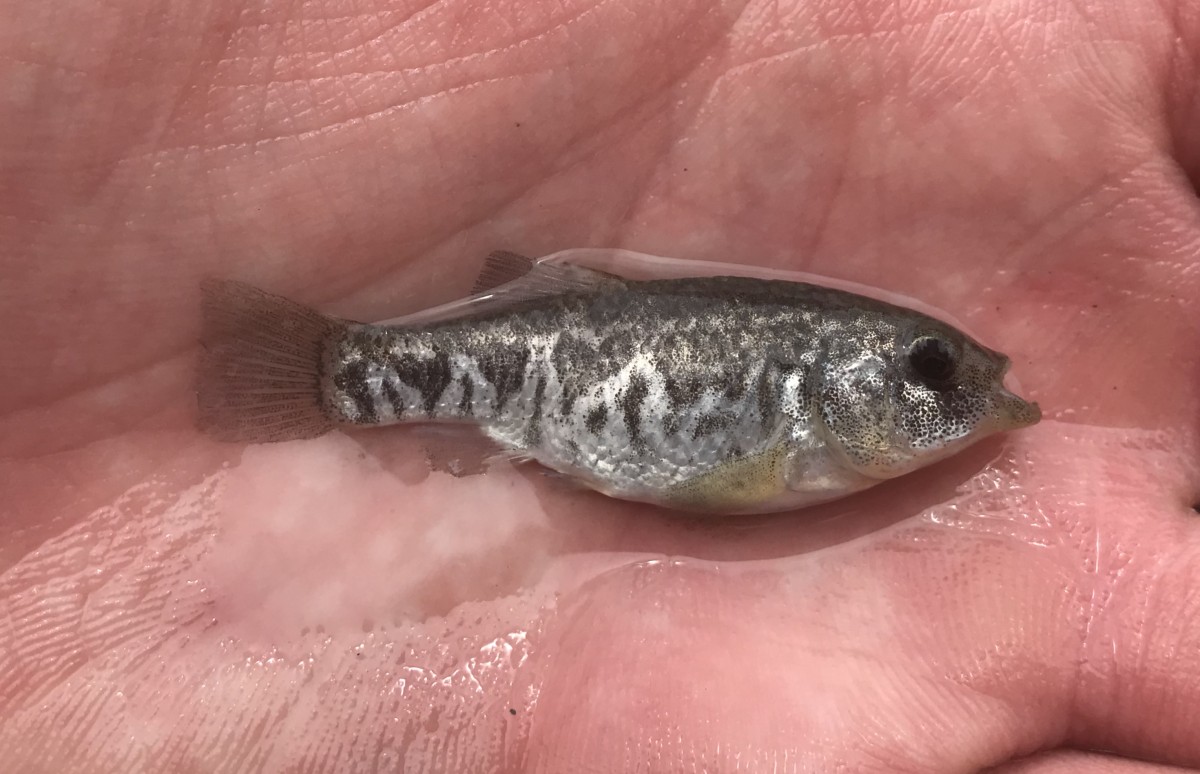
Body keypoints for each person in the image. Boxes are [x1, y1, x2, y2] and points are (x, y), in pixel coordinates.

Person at [1, 0, 1198, 771]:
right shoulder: (794, 434)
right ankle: (333, 370)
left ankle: (339, 369)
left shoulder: (828, 430)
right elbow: (725, 483)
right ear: (832, 384)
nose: (959, 395)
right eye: (928, 373)